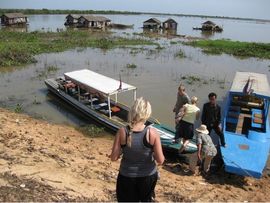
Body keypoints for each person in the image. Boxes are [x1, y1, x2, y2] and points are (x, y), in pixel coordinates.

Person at [110, 97, 165, 202]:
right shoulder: (152, 132)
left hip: (126, 176)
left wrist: (123, 150)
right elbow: (160, 160)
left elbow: (113, 157)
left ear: (133, 111)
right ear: (147, 113)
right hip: (147, 176)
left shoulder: (122, 131)